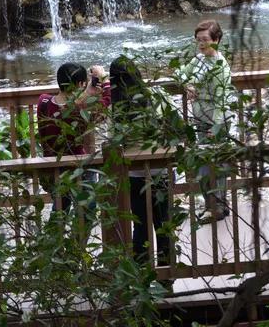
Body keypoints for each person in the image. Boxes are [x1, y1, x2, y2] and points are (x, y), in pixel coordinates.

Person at [109, 58, 171, 267]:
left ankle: (142, 276)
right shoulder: (156, 95)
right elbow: (173, 123)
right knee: (163, 224)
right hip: (160, 169)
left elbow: (114, 141)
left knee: (140, 226)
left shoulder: (117, 105)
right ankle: (167, 276)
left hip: (134, 173)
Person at [37, 62, 110, 227]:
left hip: (52, 168)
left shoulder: (43, 101)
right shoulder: (79, 112)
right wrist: (104, 79)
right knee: (88, 211)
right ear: (79, 84)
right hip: (78, 169)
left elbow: (63, 105)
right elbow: (106, 102)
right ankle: (78, 245)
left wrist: (85, 93)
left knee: (60, 208)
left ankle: (53, 247)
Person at [177, 20, 234, 221]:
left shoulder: (221, 66)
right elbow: (180, 73)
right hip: (201, 120)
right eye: (198, 40)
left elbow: (223, 98)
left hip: (216, 122)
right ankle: (216, 206)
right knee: (204, 164)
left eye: (205, 40)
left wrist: (217, 126)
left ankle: (216, 208)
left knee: (213, 166)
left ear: (217, 40)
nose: (201, 44)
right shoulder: (199, 59)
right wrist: (187, 84)